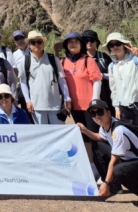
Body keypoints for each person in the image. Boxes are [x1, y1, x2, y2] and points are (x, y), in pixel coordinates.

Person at [78, 99, 138, 207]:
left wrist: (106, 183)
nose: (97, 116)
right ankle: (114, 186)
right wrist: (84, 130)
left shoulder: (119, 130)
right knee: (98, 146)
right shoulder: (106, 126)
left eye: (100, 112)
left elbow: (114, 160)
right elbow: (99, 137)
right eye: (93, 113)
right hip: (131, 161)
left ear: (108, 112)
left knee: (119, 170)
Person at [60, 32, 103, 174]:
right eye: (70, 42)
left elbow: (97, 80)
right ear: (66, 45)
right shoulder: (62, 63)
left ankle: (101, 167)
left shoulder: (88, 60)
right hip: (75, 107)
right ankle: (91, 166)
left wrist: (95, 101)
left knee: (94, 137)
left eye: (76, 42)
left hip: (90, 107)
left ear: (81, 44)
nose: (73, 44)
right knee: (84, 137)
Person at [17, 30, 71, 125]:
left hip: (55, 105)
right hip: (36, 106)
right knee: (43, 136)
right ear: (29, 44)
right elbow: (23, 82)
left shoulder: (53, 59)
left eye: (39, 42)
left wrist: (67, 98)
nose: (36, 44)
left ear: (43, 43)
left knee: (58, 134)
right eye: (33, 42)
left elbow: (61, 80)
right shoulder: (25, 61)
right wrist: (28, 101)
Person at [83, 29, 114, 110]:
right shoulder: (79, 59)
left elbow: (115, 75)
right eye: (86, 40)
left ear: (96, 42)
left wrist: (102, 76)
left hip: (106, 94)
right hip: (86, 94)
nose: (89, 42)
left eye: (92, 40)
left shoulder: (104, 57)